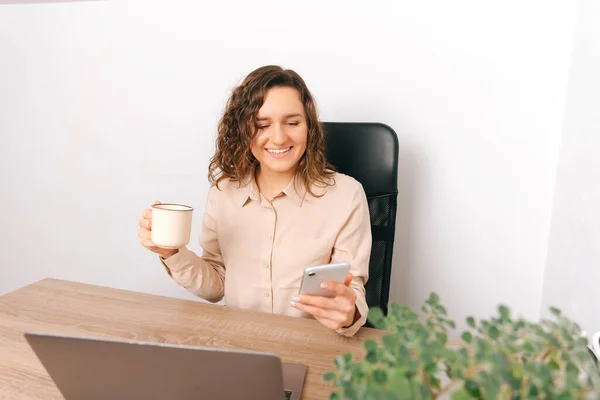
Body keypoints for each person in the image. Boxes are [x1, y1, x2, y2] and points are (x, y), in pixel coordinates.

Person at [138, 65, 371, 336]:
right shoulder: (224, 192)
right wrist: (171, 253)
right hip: (241, 346)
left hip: (311, 349)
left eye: (293, 123)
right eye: (262, 125)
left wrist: (348, 313)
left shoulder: (346, 195)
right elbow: (217, 285)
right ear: (243, 130)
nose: (279, 137)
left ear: (309, 127)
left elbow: (352, 289)